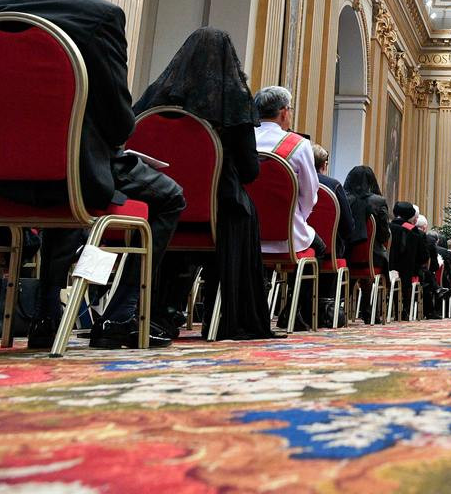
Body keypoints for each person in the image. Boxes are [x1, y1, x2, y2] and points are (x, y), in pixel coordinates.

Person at [0, 0, 185, 350]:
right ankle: (123, 313)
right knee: (167, 195)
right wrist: (112, 140)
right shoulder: (99, 15)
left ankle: (47, 312)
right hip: (70, 176)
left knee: (68, 164)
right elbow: (118, 118)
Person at [132, 27, 272, 341]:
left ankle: (155, 309)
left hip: (156, 207)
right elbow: (250, 172)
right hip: (215, 209)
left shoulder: (157, 95)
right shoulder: (234, 101)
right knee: (242, 210)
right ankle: (221, 316)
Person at [253, 86, 322, 256]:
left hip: (244, 234)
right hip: (287, 238)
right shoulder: (299, 145)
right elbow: (309, 193)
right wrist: (297, 217)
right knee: (320, 249)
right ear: (284, 112)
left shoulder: (242, 140)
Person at [312, 145, 354, 260]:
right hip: (330, 251)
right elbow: (348, 226)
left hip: (299, 246)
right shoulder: (334, 185)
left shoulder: (296, 180)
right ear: (324, 165)